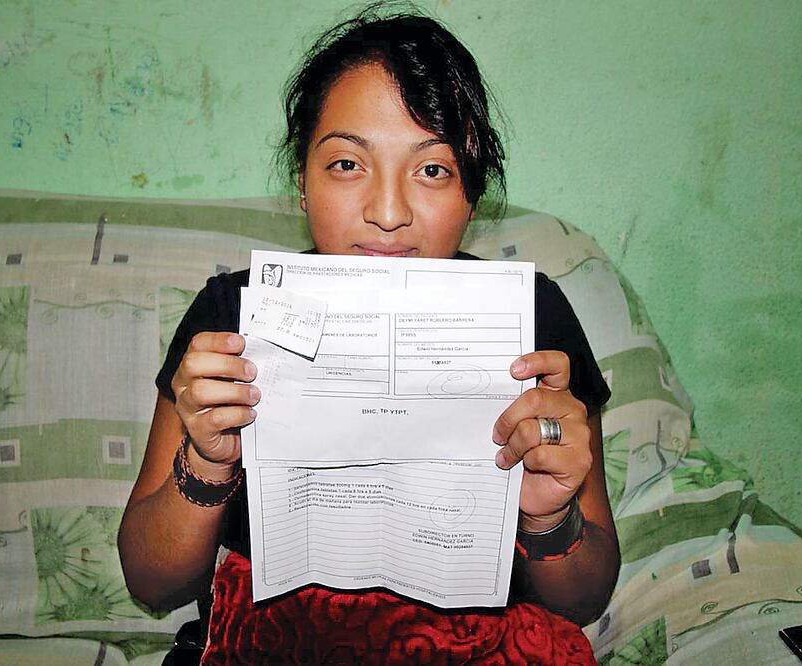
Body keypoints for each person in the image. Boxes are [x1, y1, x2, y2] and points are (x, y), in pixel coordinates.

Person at [119, 6, 619, 663]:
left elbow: (583, 600)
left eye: (433, 170)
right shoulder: (233, 319)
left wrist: (549, 517)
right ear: (302, 181)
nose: (387, 214)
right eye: (348, 164)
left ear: (473, 192)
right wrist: (206, 463)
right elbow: (152, 583)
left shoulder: (532, 319)